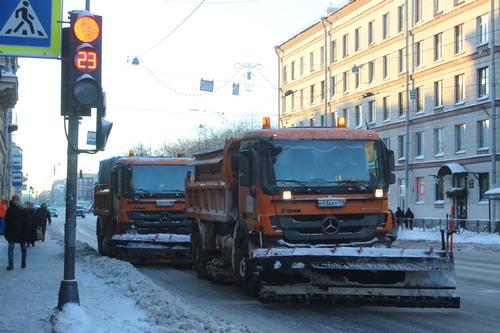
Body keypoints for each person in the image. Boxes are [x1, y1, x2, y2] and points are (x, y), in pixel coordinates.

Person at [4, 195, 28, 270]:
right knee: (10, 248)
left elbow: (27, 221)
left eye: (17, 200)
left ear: (19, 200)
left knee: (23, 247)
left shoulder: (23, 209)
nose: (15, 201)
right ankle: (11, 264)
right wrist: (6, 232)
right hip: (12, 232)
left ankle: (23, 262)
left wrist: (26, 231)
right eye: (14, 200)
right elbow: (6, 222)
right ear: (12, 200)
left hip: (21, 232)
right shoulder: (9, 209)